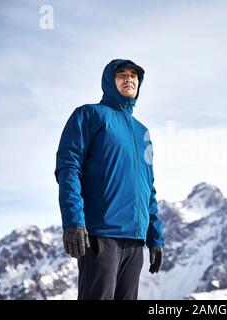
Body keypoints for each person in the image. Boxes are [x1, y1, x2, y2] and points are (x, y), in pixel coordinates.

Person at [54, 59, 164, 300]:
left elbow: (148, 188)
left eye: (134, 75)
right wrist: (74, 221)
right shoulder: (89, 115)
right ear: (109, 81)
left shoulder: (142, 131)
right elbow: (68, 168)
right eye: (121, 75)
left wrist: (155, 237)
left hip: (135, 240)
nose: (129, 79)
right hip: (101, 234)